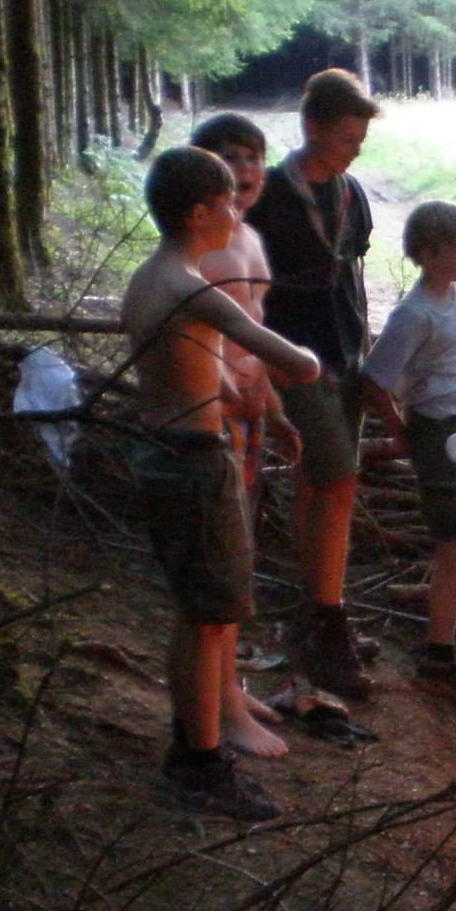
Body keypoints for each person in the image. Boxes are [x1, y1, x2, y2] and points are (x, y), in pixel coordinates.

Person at [120, 146, 320, 820]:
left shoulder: (148, 280)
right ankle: (203, 764)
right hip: (195, 461)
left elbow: (196, 363)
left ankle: (192, 748)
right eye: (230, 200)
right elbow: (296, 363)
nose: (238, 210)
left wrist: (230, 381)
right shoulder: (192, 288)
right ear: (200, 212)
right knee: (212, 618)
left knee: (193, 615)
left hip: (161, 452)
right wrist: (307, 355)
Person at [245, 69, 382, 697]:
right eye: (347, 137)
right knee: (337, 472)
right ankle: (329, 620)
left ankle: (316, 609)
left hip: (346, 356)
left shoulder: (353, 194)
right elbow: (250, 289)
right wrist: (265, 365)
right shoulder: (271, 196)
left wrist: (368, 353)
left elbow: (352, 277)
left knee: (322, 484)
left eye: (360, 139)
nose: (356, 149)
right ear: (312, 128)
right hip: (292, 358)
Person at [190, 113, 301, 760]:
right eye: (231, 158)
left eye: (256, 157)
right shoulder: (201, 247)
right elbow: (192, 339)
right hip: (211, 422)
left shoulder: (249, 240)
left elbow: (252, 336)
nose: (249, 171)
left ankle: (230, 685)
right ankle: (221, 710)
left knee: (242, 557)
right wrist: (229, 393)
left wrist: (276, 408)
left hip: (252, 421)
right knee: (222, 567)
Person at [361, 201, 456, 689]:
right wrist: (401, 432)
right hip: (440, 428)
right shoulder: (414, 314)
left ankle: (446, 633)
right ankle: (439, 652)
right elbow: (376, 379)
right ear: (430, 254)